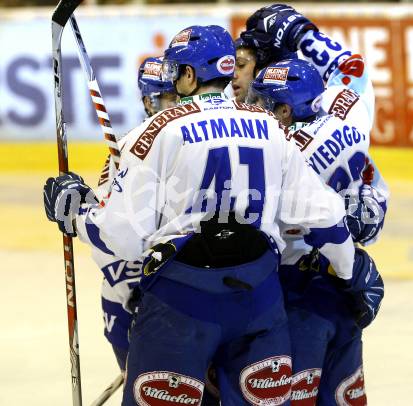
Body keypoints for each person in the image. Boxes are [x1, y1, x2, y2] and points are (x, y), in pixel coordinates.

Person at [43, 24, 356, 405]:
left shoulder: (156, 131)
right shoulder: (272, 128)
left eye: (176, 71)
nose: (173, 82)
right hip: (258, 300)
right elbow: (325, 219)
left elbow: (121, 235)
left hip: (182, 303)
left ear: (190, 75)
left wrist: (77, 215)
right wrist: (345, 275)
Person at [242, 4, 388, 404]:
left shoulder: (279, 151)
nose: (255, 106)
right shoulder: (347, 118)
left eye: (264, 102)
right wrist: (306, 36)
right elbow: (354, 71)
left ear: (284, 110)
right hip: (339, 287)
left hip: (288, 293)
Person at [83, 57, 178, 373]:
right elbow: (114, 235)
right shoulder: (129, 149)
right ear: (149, 101)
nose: (173, 104)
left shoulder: (135, 145)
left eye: (175, 95)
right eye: (167, 98)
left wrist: (79, 216)